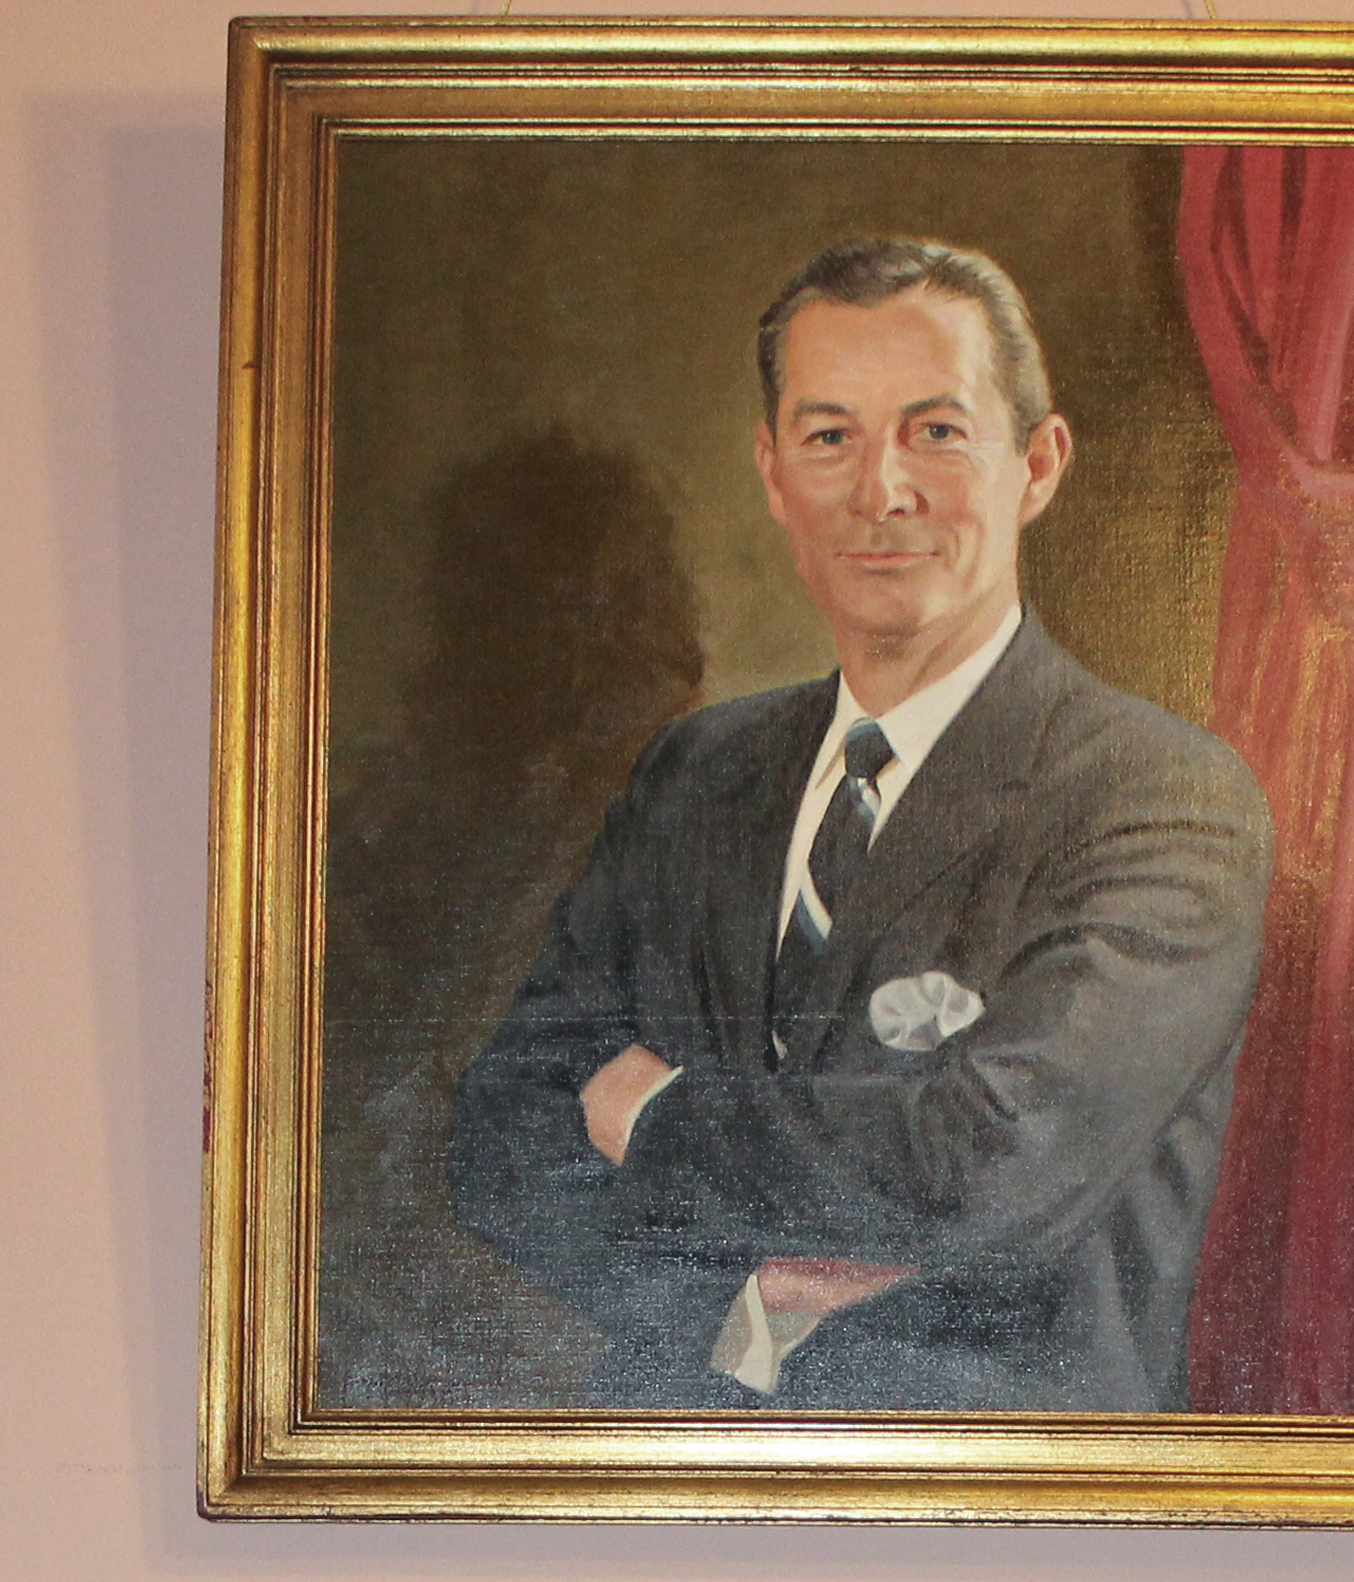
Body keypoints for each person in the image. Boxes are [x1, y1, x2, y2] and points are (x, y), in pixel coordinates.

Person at [447, 239, 1275, 1413]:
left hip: (1006, 1493)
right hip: (673, 1484)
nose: (883, 490)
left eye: (938, 432)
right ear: (775, 473)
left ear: (1037, 466)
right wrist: (738, 1310)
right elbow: (500, 1135)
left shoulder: (1161, 796)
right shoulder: (697, 771)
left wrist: (657, 1114)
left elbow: (987, 1164)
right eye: (830, 436)